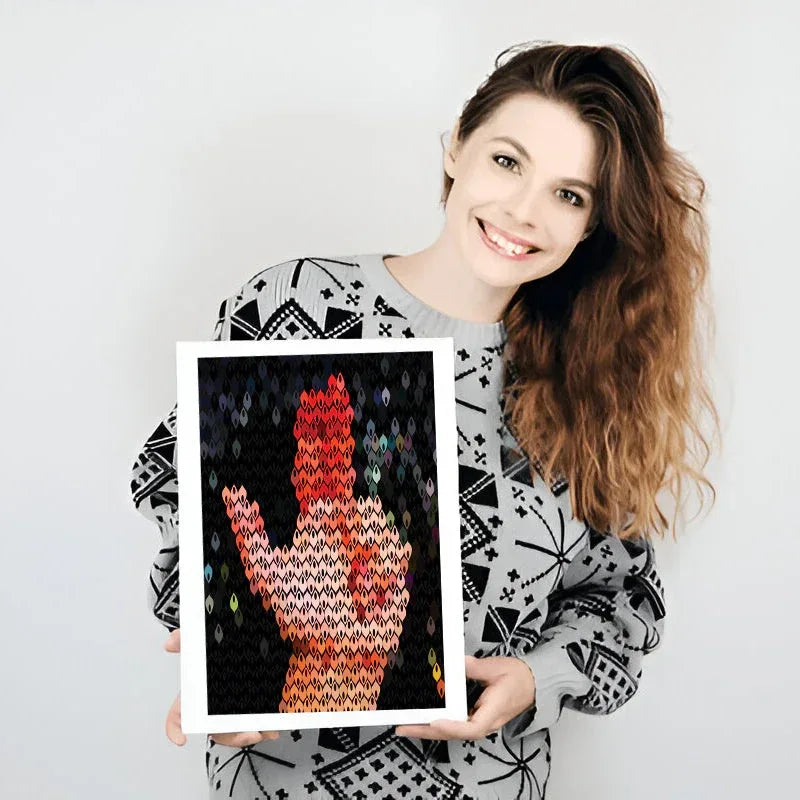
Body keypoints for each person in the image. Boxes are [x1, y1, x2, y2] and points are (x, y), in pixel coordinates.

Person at [130, 41, 719, 800]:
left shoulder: (589, 385)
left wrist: (533, 678)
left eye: (569, 196)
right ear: (456, 148)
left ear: (591, 227)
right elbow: (175, 491)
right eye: (509, 162)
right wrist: (220, 659)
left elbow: (623, 602)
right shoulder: (299, 305)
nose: (522, 212)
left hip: (485, 782)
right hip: (282, 779)